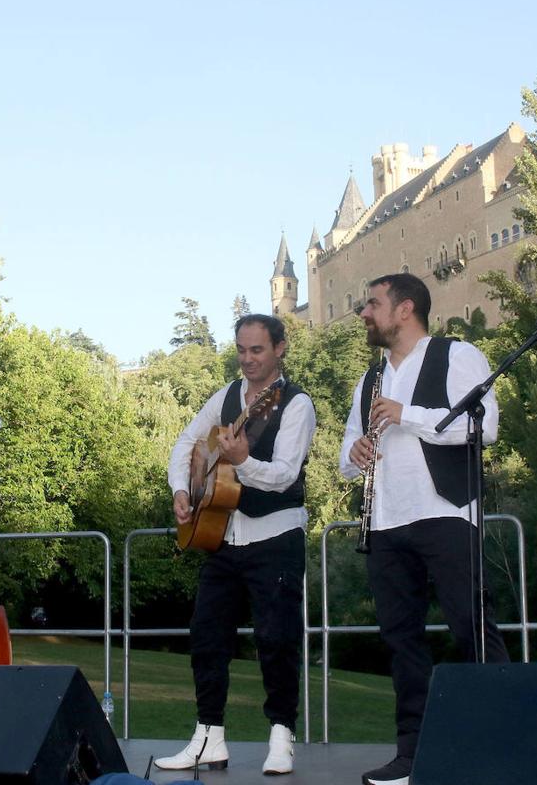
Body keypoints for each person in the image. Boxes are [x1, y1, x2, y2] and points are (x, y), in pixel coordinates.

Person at [339, 274, 510, 785]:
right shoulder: (368, 380)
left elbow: (486, 427)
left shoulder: (457, 355)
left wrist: (407, 414)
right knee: (401, 640)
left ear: (405, 308)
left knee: (472, 629)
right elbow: (349, 454)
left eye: (372, 304)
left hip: (447, 514)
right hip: (386, 519)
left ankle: (501, 746)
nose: (364, 313)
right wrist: (355, 453)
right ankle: (411, 757)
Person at [156, 314, 316, 776]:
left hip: (276, 535)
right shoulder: (226, 396)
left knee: (277, 639)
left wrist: (243, 462)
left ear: (280, 349)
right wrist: (181, 490)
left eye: (257, 351)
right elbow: (187, 443)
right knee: (206, 636)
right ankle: (209, 737)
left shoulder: (296, 404)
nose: (247, 360)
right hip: (224, 535)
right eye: (241, 350)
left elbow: (285, 473)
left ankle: (282, 737)